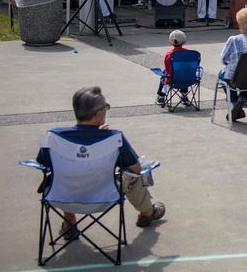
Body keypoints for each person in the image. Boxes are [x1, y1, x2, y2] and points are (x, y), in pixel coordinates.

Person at [37, 86, 165, 240]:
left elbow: (42, 164)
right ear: (98, 114)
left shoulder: (53, 136)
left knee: (64, 174)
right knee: (134, 174)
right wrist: (102, 141)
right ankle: (147, 213)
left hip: (62, 197)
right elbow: (136, 169)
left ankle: (69, 224)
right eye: (106, 108)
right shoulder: (113, 138)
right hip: (103, 197)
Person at [156, 29, 193, 106]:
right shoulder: (189, 53)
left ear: (170, 42)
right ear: (184, 42)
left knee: (165, 73)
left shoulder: (169, 54)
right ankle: (184, 95)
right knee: (183, 71)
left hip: (172, 80)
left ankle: (161, 96)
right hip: (188, 79)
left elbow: (168, 69)